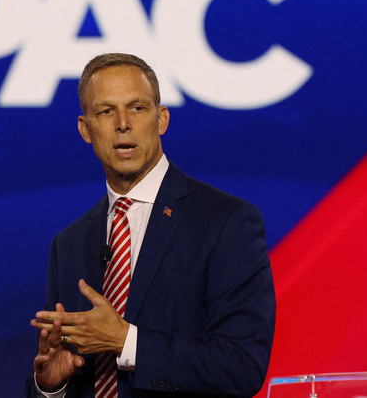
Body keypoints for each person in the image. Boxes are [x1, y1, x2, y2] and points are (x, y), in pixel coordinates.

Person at [26, 53, 276, 397]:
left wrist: (126, 341)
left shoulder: (226, 222)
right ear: (86, 129)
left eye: (137, 108)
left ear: (161, 120)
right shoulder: (69, 243)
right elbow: (63, 372)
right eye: (106, 111)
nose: (123, 123)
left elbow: (241, 367)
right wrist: (50, 385)